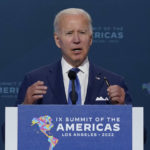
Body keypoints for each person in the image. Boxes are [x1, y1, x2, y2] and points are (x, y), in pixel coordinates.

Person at [16, 8, 132, 105]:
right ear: (57, 40)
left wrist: (123, 109)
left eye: (82, 32)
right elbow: (7, 131)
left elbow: (141, 132)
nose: (76, 40)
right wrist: (25, 107)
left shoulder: (114, 82)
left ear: (90, 39)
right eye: (69, 33)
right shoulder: (35, 80)